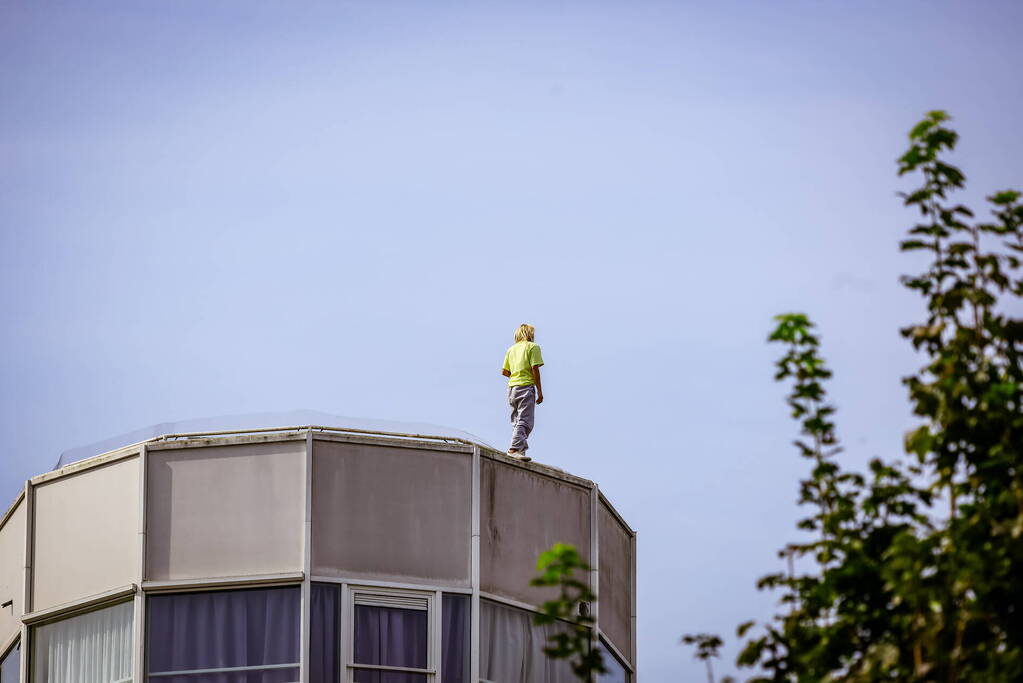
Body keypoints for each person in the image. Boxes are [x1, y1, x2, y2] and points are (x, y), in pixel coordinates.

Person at [501, 323, 544, 461]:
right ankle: (514, 449)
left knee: (516, 421)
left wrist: (516, 376)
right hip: (525, 387)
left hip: (512, 388)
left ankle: (520, 450)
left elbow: (505, 371)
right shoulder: (533, 347)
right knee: (525, 420)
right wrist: (539, 391)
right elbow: (535, 369)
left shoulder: (511, 349)